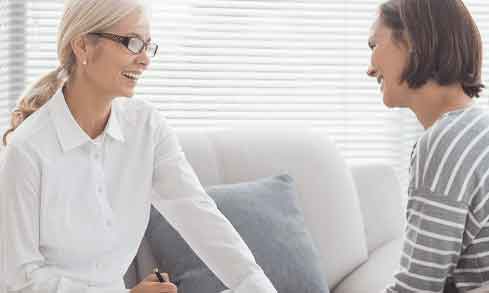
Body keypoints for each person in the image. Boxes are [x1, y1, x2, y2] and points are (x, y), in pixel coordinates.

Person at [0, 0, 277, 292]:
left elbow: (200, 216)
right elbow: (19, 280)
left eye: (148, 45)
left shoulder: (146, 128)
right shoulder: (26, 151)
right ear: (82, 46)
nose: (145, 59)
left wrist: (255, 285)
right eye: (132, 43)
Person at [367, 0, 489, 292]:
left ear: (411, 40)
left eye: (374, 45)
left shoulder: (445, 144)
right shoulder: (478, 131)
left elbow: (416, 289)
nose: (370, 69)